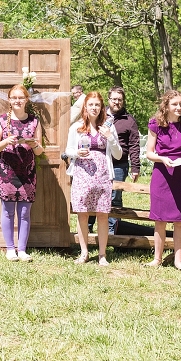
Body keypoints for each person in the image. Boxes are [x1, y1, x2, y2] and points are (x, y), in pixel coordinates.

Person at [0, 84, 44, 262]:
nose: (18, 101)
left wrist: (34, 143)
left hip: (27, 173)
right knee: (7, 211)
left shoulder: (34, 121)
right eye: (14, 98)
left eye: (21, 97)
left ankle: (22, 250)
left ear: (27, 99)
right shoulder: (1, 120)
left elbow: (39, 151)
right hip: (7, 172)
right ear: (9, 100)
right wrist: (6, 142)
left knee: (24, 213)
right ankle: (10, 249)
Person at [65, 91, 122, 265]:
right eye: (91, 104)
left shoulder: (108, 127)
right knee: (82, 214)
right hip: (82, 175)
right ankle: (84, 252)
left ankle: (102, 254)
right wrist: (77, 153)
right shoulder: (76, 127)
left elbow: (118, 155)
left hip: (103, 176)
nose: (94, 108)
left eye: (97, 105)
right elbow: (68, 150)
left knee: (102, 214)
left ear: (101, 107)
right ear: (85, 107)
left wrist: (110, 138)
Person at [144, 90, 181, 271]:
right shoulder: (155, 124)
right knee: (160, 219)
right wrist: (162, 159)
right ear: (166, 106)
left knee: (180, 220)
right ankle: (157, 259)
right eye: (174, 104)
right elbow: (149, 153)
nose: (178, 107)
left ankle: (178, 260)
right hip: (162, 173)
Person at [92, 86, 141, 235]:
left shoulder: (129, 121)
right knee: (94, 194)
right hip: (99, 162)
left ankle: (113, 233)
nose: (117, 102)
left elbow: (134, 145)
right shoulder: (99, 115)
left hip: (119, 164)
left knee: (115, 197)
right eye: (114, 99)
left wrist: (135, 168)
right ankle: (88, 230)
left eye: (120, 100)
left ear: (123, 101)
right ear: (109, 100)